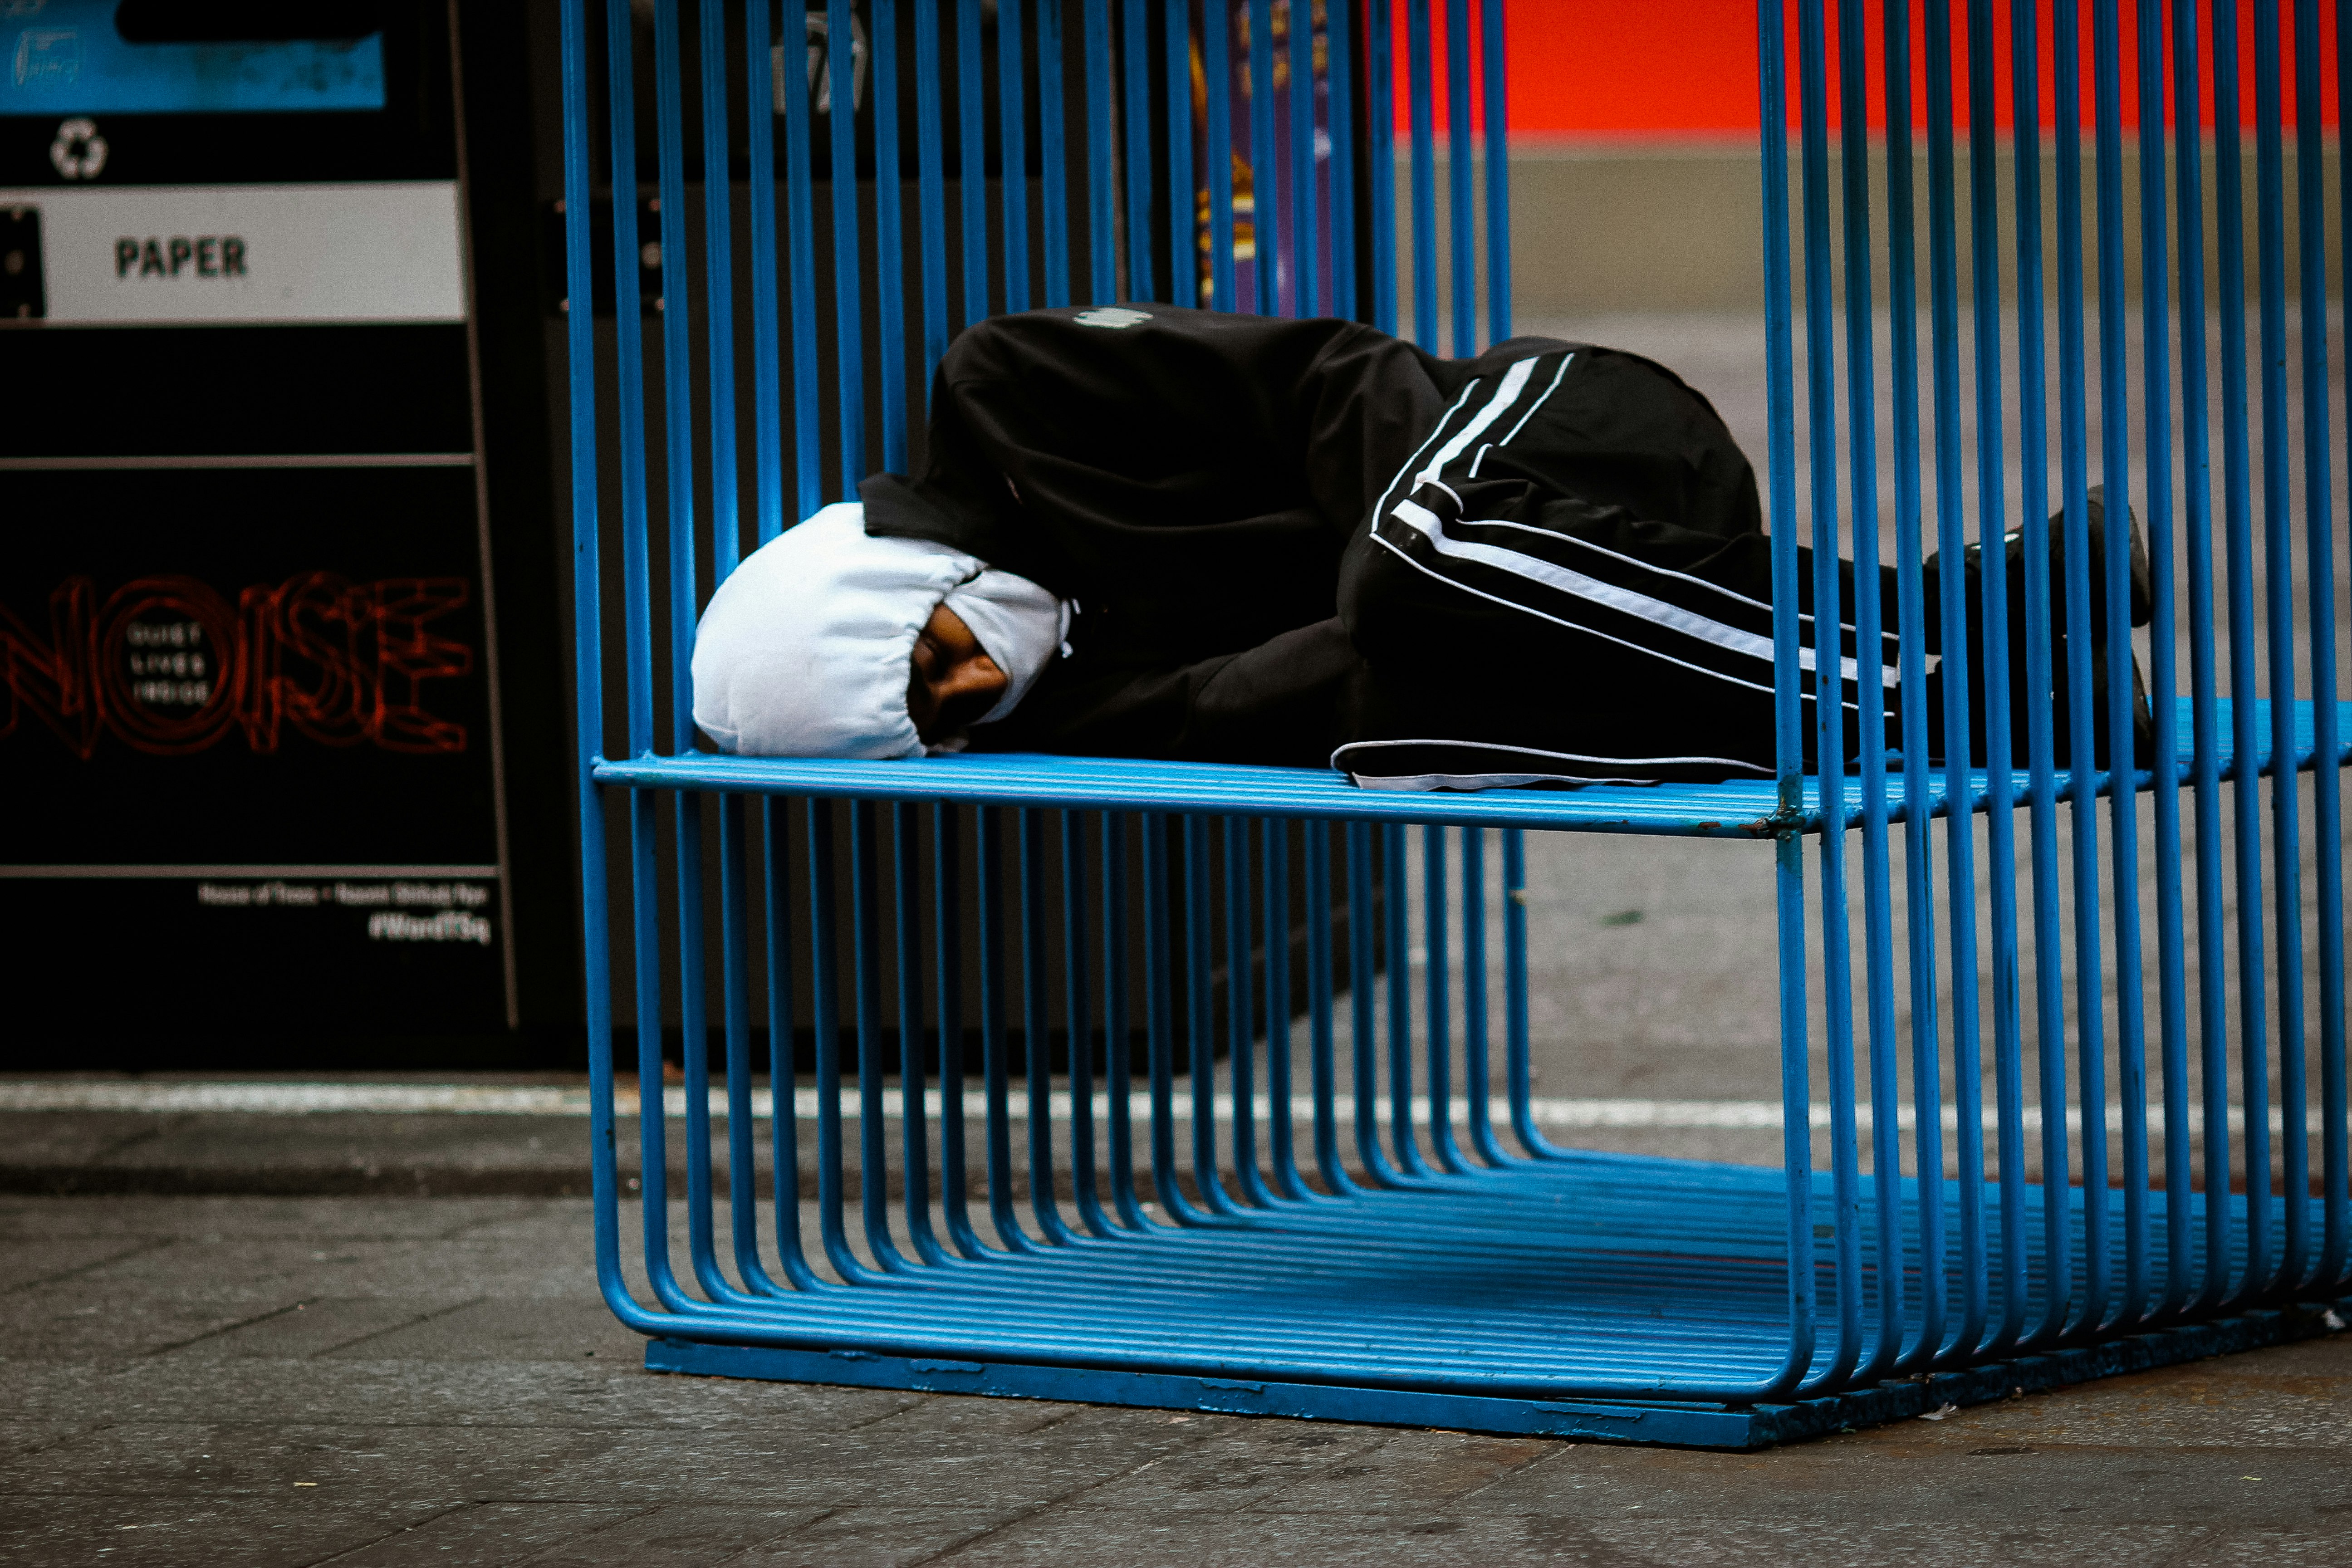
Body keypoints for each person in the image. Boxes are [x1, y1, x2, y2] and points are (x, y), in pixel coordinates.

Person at [692, 305, 2149, 788]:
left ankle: (1947, 663)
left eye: (935, 665)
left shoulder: (1013, 391)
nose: (981, 697)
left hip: (1544, 427)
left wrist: (1402, 558)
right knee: (1401, 702)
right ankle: (2003, 642)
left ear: (900, 582)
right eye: (938, 727)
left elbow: (1336, 377)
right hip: (1612, 593)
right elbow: (1306, 696)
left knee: (1406, 569)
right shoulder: (1078, 701)